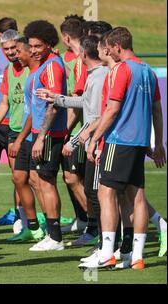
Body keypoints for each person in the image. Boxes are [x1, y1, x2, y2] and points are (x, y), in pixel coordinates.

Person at [84, 27, 165, 269]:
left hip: (118, 140)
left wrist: (95, 139)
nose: (108, 52)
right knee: (137, 197)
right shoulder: (148, 71)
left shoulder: (122, 69)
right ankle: (137, 257)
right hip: (140, 142)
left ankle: (107, 251)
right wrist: (158, 143)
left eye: (110, 48)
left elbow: (112, 109)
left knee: (105, 192)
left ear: (118, 47)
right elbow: (158, 111)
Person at [36, 35, 109, 247]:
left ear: (84, 54)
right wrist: (56, 98)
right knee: (95, 193)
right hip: (94, 143)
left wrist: (74, 141)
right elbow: (85, 103)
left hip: (98, 145)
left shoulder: (98, 76)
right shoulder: (95, 74)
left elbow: (96, 116)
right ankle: (107, 242)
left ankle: (107, 244)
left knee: (97, 195)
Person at [0, 31, 33, 238]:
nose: (11, 52)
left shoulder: (33, 67)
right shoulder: (9, 70)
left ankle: (40, 225)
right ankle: (25, 223)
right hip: (13, 129)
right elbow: (4, 102)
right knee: (18, 178)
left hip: (31, 131)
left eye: (14, 48)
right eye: (7, 50)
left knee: (37, 180)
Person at [24, 20, 67, 251]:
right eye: (31, 46)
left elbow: (55, 103)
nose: (33, 50)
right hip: (40, 133)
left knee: (46, 182)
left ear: (50, 44)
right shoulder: (46, 63)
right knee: (35, 179)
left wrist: (41, 137)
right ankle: (52, 232)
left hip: (48, 134)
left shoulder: (52, 66)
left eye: (38, 46)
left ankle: (56, 237)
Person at [59, 15, 90, 234]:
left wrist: (66, 132)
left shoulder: (82, 61)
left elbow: (78, 104)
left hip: (85, 130)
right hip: (86, 129)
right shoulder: (73, 59)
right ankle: (87, 221)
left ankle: (96, 226)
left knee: (74, 177)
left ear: (66, 37)